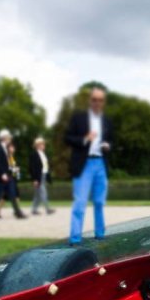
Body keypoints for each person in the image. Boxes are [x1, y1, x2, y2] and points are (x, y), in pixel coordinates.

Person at [64, 87, 114, 242]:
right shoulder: (78, 118)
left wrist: (107, 146)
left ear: (103, 102)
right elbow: (67, 137)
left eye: (100, 100)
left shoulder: (106, 121)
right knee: (80, 202)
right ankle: (75, 238)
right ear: (89, 100)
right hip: (83, 164)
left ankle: (100, 234)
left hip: (100, 163)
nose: (97, 103)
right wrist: (85, 139)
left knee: (99, 202)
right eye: (94, 99)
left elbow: (112, 140)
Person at [0, 130, 27, 220]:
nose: (10, 139)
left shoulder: (6, 149)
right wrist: (3, 173)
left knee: (12, 194)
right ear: (4, 138)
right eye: (8, 137)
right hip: (2, 177)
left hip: (9, 177)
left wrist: (15, 172)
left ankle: (18, 213)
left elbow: (9, 165)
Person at [29, 137, 55, 215]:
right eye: (42, 144)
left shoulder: (44, 154)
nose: (43, 145)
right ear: (37, 145)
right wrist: (34, 179)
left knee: (37, 195)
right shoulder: (34, 154)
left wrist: (48, 177)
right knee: (43, 192)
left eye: (43, 144)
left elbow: (46, 166)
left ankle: (34, 210)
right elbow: (32, 168)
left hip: (44, 175)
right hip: (38, 177)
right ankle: (48, 209)